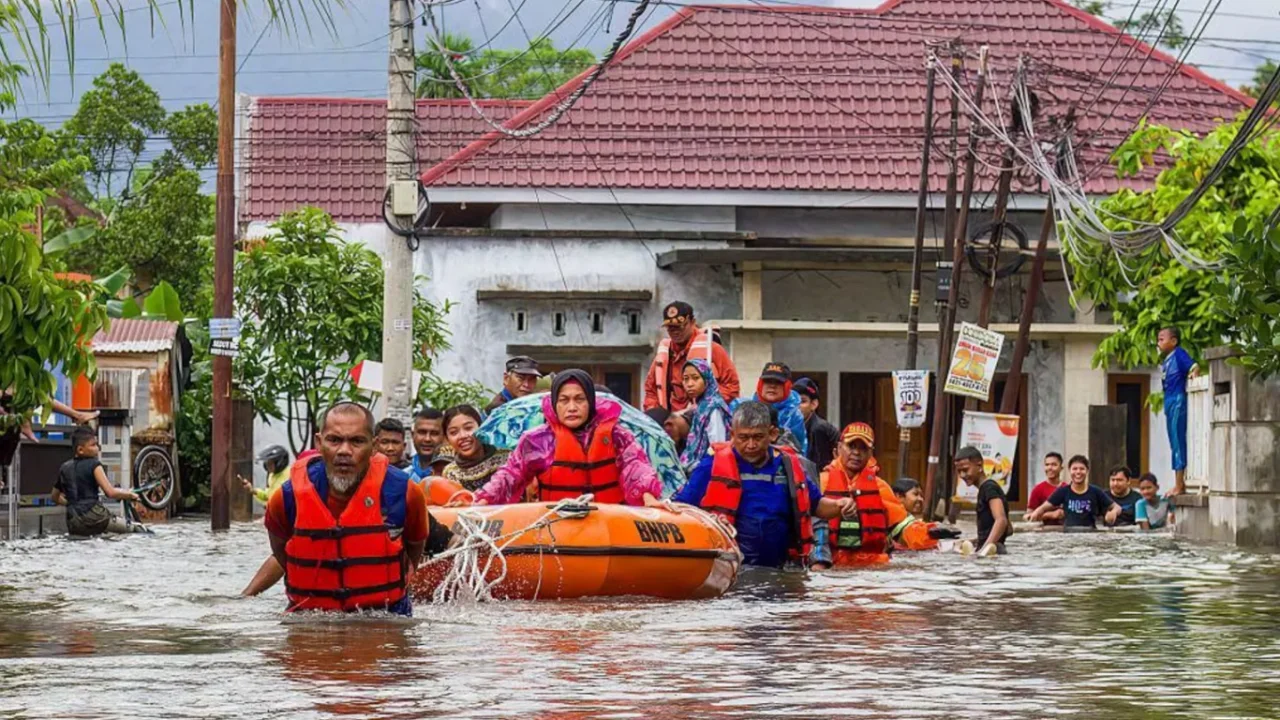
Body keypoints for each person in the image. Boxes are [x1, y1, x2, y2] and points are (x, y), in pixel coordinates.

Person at [261, 402, 451, 614]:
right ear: (319, 442)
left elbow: (415, 547)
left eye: (357, 441)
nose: (344, 451)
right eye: (334, 440)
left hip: (386, 616)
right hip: (311, 618)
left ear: (373, 446)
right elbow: (281, 551)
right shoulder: (287, 498)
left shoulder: (405, 493)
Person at [673, 401, 857, 569]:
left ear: (773, 434)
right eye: (743, 438)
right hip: (729, 569)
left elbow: (817, 505)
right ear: (732, 435)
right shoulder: (712, 465)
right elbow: (682, 508)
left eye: (758, 437)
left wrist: (839, 505)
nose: (751, 445)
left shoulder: (789, 466)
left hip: (781, 568)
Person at [474, 370, 665, 507]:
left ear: (590, 402)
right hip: (559, 523)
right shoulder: (537, 440)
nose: (572, 407)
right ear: (555, 404)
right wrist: (483, 499)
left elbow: (636, 467)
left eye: (579, 399)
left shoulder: (617, 435)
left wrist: (648, 497)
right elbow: (510, 475)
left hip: (611, 522)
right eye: (564, 400)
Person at [812, 422, 958, 566]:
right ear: (839, 448)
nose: (856, 453)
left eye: (863, 448)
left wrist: (931, 532)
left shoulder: (880, 487)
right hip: (830, 566)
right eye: (851, 446)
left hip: (872, 569)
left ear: (870, 453)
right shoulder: (820, 482)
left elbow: (904, 530)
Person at [644, 301, 739, 412]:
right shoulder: (664, 354)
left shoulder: (711, 349)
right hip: (672, 421)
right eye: (670, 328)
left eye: (679, 327)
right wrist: (655, 412)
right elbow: (651, 390)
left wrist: (705, 403)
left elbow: (732, 387)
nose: (675, 332)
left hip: (703, 417)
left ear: (692, 322)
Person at [50, 427, 143, 536]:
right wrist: (130, 495)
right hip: (95, 517)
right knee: (137, 530)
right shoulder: (94, 465)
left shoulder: (64, 468)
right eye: (93, 445)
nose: (97, 448)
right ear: (80, 450)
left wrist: (72, 504)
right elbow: (110, 492)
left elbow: (54, 497)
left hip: (73, 521)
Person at [1027, 455, 1121, 530]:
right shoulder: (1063, 491)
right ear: (1069, 471)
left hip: (1090, 533)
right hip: (1069, 534)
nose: (1078, 472)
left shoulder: (1095, 491)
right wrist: (1036, 513)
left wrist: (1113, 512)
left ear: (1087, 471)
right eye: (1074, 469)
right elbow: (1043, 508)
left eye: (1082, 469)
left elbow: (1117, 507)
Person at [734, 362, 809, 455]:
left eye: (778, 382)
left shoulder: (794, 415)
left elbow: (798, 452)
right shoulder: (739, 407)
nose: (772, 386)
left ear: (787, 386)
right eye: (767, 381)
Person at [1158, 326, 1198, 496]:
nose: (1158, 343)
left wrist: (1193, 374)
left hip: (1177, 400)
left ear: (1173, 341)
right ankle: (1177, 482)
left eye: (1161, 339)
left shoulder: (1179, 354)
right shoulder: (1166, 360)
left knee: (1177, 441)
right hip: (1168, 400)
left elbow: (1194, 366)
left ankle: (1179, 484)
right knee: (1173, 442)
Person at [439, 404, 510, 491]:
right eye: (454, 432)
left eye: (468, 428)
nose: (462, 436)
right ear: (447, 439)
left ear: (481, 428)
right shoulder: (451, 473)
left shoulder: (507, 458)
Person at [679, 359, 731, 472]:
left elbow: (718, 446)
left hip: (707, 471)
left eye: (695, 378)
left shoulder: (714, 407)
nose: (689, 384)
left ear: (706, 379)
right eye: (685, 379)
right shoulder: (701, 405)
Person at [956, 446, 1010, 555]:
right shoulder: (986, 489)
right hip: (996, 550)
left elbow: (1001, 521)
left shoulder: (988, 488)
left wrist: (982, 552)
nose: (962, 475)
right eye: (959, 471)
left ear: (979, 466)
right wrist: (975, 541)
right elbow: (1009, 530)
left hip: (992, 553)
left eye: (965, 470)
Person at [794, 377, 839, 471]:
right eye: (794, 400)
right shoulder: (790, 425)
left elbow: (817, 469)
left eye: (802, 401)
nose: (797, 405)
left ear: (814, 404)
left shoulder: (819, 429)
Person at [408, 408, 451, 481]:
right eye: (422, 432)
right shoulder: (404, 476)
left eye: (434, 433)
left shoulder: (453, 475)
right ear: (412, 435)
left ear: (445, 437)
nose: (427, 439)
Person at [1026, 452, 1066, 524]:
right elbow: (1028, 516)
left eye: (1054, 465)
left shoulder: (1067, 488)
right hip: (1043, 532)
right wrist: (1050, 515)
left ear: (1061, 468)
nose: (1050, 468)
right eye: (1047, 465)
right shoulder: (1038, 489)